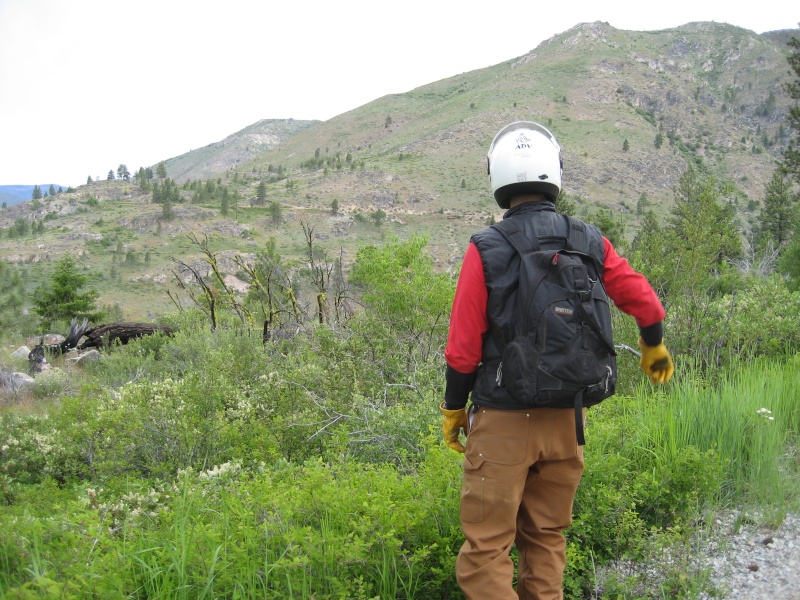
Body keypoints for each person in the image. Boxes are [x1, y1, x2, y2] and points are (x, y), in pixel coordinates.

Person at [440, 121, 674, 599]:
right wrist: (652, 345)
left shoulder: (486, 246)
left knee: (486, 550)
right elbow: (646, 302)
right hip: (569, 420)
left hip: (504, 421)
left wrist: (453, 409)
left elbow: (463, 346)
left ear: (498, 177)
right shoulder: (588, 240)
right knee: (546, 539)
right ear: (554, 173)